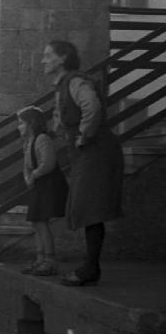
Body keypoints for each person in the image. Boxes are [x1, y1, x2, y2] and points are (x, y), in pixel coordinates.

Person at [42, 40, 124, 286]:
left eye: (48, 55)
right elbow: (63, 117)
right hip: (84, 153)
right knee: (87, 208)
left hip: (96, 151)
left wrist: (85, 134)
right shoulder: (63, 86)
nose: (43, 60)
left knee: (90, 208)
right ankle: (91, 267)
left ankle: (90, 268)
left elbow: (91, 105)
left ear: (63, 58)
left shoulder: (77, 82)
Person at [18, 106, 69, 276]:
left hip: (49, 185)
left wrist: (34, 175)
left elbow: (48, 163)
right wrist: (28, 178)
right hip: (38, 185)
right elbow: (26, 166)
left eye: (22, 123)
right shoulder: (29, 142)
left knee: (42, 221)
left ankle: (49, 261)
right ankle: (40, 259)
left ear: (31, 123)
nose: (19, 127)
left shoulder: (42, 139)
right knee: (36, 222)